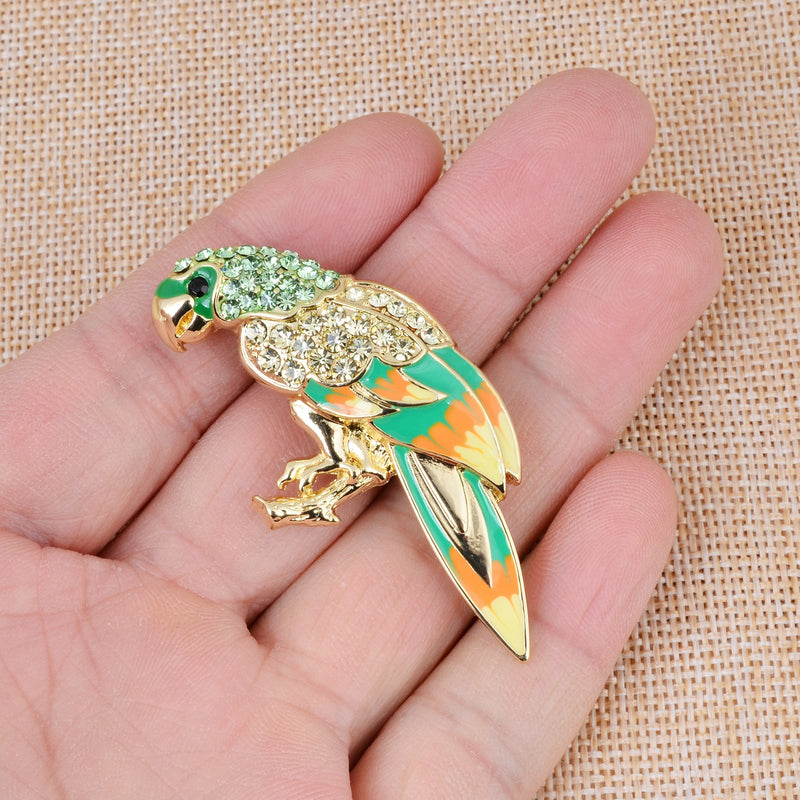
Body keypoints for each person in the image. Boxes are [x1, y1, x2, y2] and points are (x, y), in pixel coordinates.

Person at [0, 69, 722, 798]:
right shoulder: (321, 313)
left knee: (419, 500)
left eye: (194, 303)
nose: (194, 322)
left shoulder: (294, 333)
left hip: (431, 436)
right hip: (406, 430)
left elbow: (384, 401)